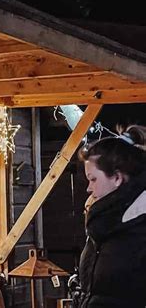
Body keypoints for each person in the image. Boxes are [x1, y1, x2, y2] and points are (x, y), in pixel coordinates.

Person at [77, 125, 146, 308]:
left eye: (93, 179)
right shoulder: (102, 223)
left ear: (116, 178)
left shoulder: (139, 225)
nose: (89, 188)